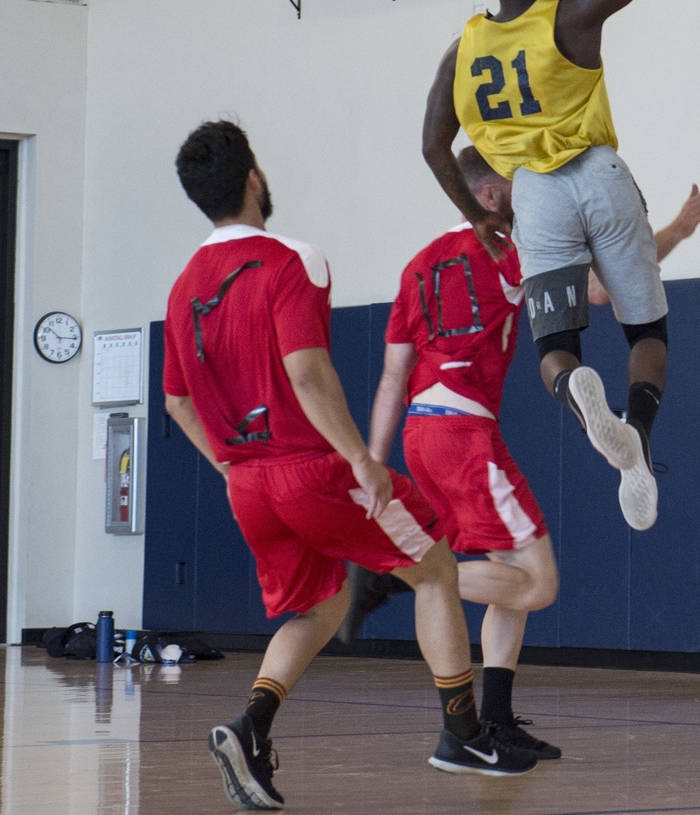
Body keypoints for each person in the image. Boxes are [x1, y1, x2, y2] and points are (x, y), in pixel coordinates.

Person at [162, 122, 538, 811]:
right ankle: (461, 733)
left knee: (321, 604)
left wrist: (226, 466)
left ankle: (250, 728)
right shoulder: (292, 258)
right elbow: (306, 373)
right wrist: (359, 458)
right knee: (435, 568)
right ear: (254, 178)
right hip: (311, 469)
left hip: (246, 484)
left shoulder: (184, 284)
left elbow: (177, 399)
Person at [347, 148, 700, 756]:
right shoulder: (507, 246)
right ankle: (398, 574)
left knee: (509, 582)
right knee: (537, 582)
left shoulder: (418, 267)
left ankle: (495, 719)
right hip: (464, 433)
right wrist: (676, 229)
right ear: (489, 197)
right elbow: (602, 290)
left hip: (421, 432)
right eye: (514, 183)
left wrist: (373, 466)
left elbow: (393, 377)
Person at [421, 0, 700, 533]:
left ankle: (587, 401)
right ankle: (640, 436)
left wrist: (480, 218)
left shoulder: (462, 52)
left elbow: (435, 148)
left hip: (532, 195)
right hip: (596, 173)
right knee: (646, 329)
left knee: (555, 346)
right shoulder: (570, 14)